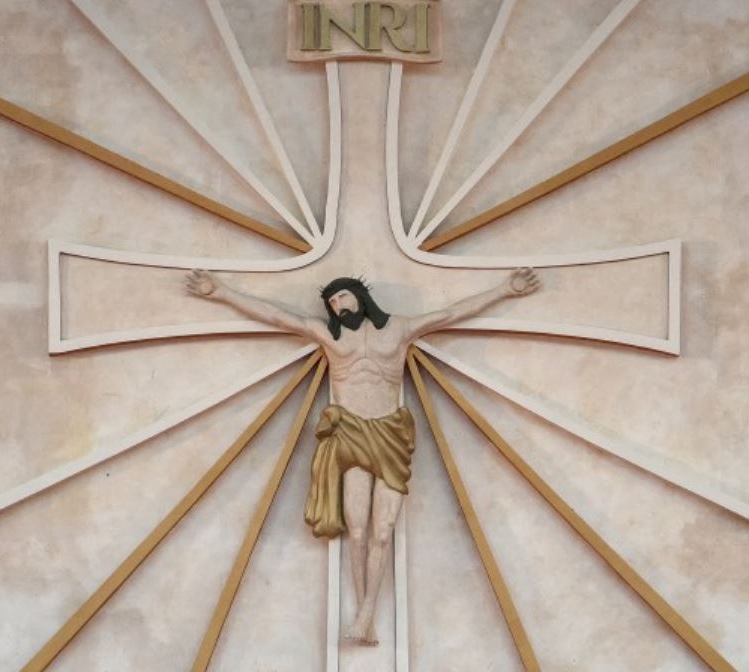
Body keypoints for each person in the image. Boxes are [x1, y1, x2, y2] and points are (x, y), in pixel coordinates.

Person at [185, 267, 540, 644]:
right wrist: (222, 293)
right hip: (351, 433)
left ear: (360, 296)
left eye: (342, 297)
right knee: (356, 530)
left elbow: (450, 314)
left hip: (389, 434)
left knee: (382, 532)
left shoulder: (398, 329)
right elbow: (277, 316)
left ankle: (366, 615)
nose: (337, 305)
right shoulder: (330, 335)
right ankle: (363, 617)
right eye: (331, 302)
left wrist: (504, 290)